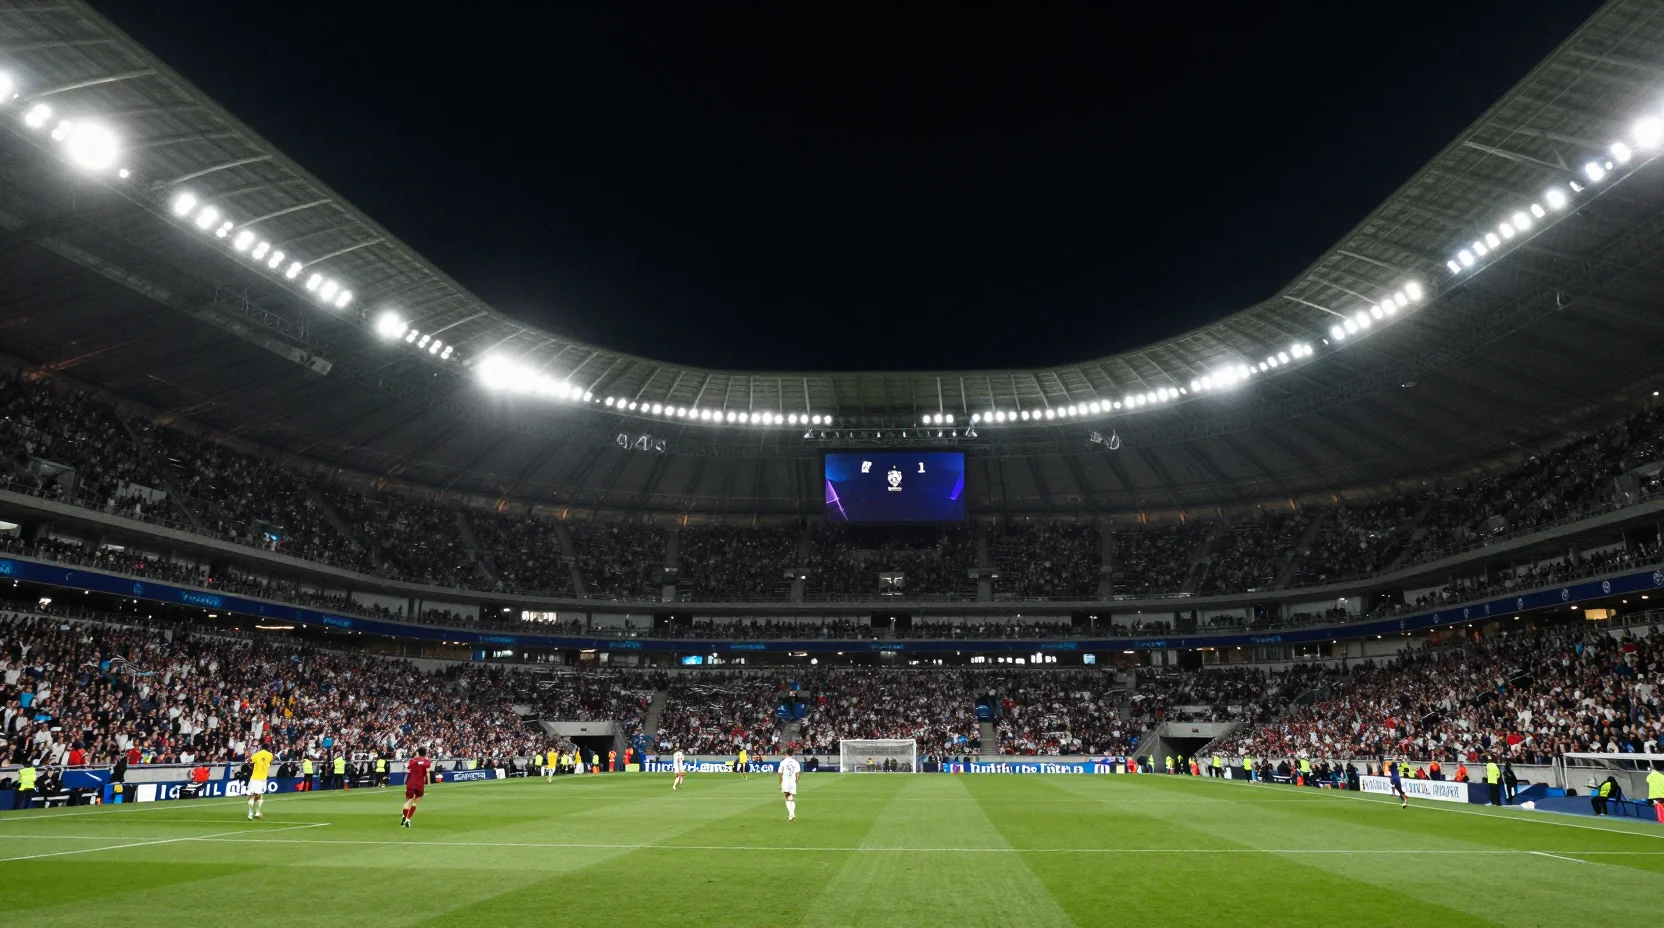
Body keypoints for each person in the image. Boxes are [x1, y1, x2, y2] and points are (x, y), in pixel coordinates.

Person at [401, 747, 433, 828]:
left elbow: (408, 769)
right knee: (415, 802)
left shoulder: (412, 761)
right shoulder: (427, 762)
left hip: (410, 783)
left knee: (407, 801)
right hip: (419, 783)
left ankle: (404, 817)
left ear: (418, 752)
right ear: (425, 753)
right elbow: (427, 772)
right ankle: (408, 818)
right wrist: (428, 782)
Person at [246, 744, 275, 820]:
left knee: (252, 794)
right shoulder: (270, 755)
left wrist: (249, 761)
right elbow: (271, 761)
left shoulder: (256, 755)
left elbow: (249, 762)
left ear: (261, 748)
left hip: (255, 777)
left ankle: (250, 813)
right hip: (263, 778)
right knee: (259, 795)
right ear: (268, 748)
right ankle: (258, 812)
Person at [778, 747, 801, 821]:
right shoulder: (796, 762)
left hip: (786, 781)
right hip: (792, 781)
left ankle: (791, 814)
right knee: (791, 797)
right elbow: (798, 773)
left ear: (786, 753)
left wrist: (780, 782)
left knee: (787, 798)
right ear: (793, 753)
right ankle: (792, 814)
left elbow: (780, 773)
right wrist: (796, 781)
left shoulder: (783, 762)